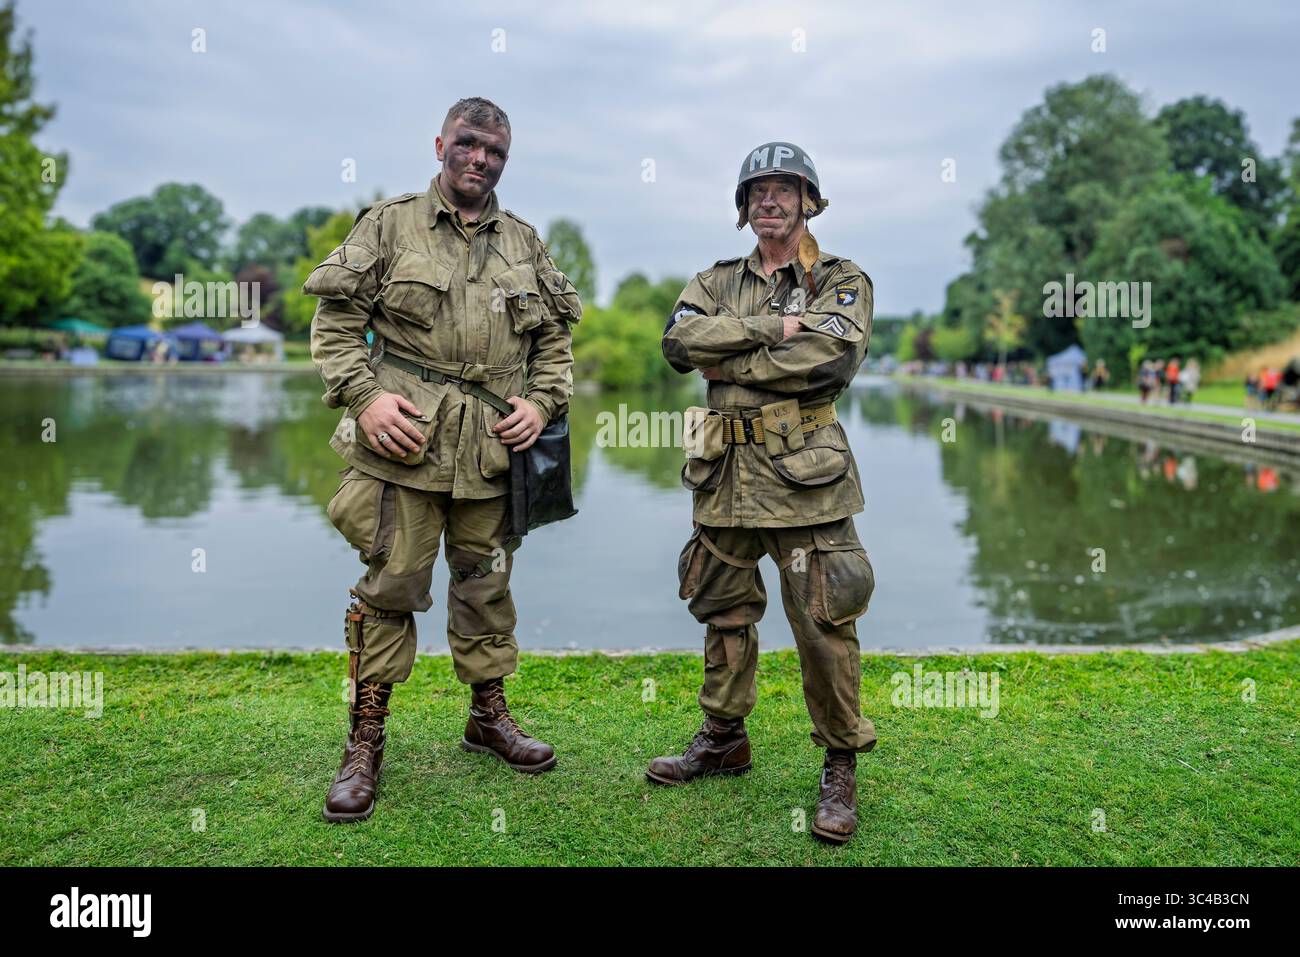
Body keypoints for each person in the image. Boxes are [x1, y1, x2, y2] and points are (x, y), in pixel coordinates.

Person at [306, 97, 583, 823]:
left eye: (493, 151)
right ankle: (365, 739)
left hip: (493, 449)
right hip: (403, 444)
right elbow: (335, 324)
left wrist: (542, 404)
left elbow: (554, 344)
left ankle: (488, 716)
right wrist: (364, 398)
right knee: (391, 583)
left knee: (485, 585)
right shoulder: (389, 224)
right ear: (440, 144)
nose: (479, 159)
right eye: (467, 144)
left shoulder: (524, 242)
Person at [656, 141, 877, 845]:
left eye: (785, 189)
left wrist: (736, 355)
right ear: (743, 206)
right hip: (723, 470)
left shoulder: (841, 280)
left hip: (806, 473)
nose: (770, 200)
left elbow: (829, 355)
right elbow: (680, 343)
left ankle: (840, 760)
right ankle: (724, 736)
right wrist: (768, 329)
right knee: (721, 607)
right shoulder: (714, 278)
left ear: (810, 200)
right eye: (757, 191)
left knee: (823, 619)